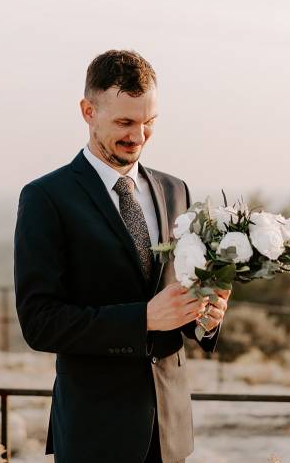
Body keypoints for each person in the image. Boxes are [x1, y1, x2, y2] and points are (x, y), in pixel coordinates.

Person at [14, 49, 230, 462]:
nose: (139, 136)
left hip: (170, 433)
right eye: (125, 122)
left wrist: (206, 317)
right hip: (95, 432)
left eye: (150, 123)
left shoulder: (175, 190)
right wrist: (144, 318)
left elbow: (180, 294)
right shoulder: (46, 198)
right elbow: (39, 323)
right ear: (87, 111)